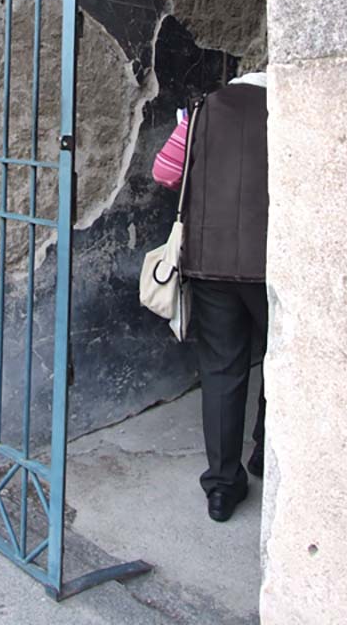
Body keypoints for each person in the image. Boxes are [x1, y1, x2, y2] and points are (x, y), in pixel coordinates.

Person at [153, 70, 268, 522]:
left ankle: (222, 487)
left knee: (221, 370)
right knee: (282, 359)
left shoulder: (202, 109)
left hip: (210, 260)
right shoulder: (291, 110)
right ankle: (264, 453)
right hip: (272, 263)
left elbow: (164, 173)